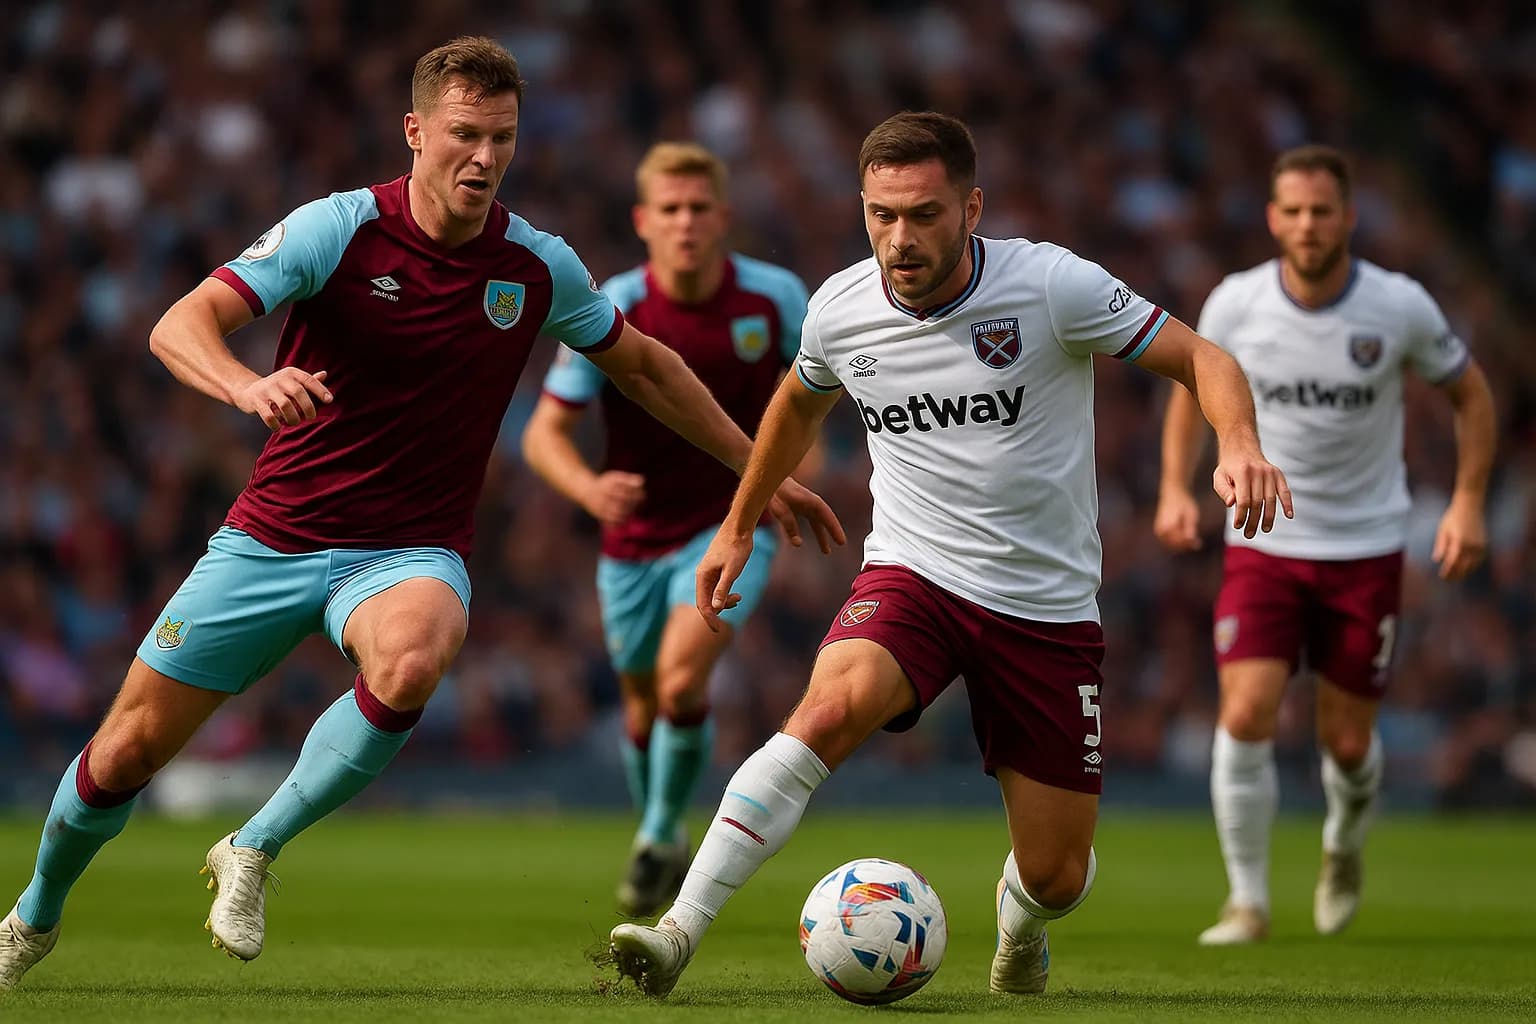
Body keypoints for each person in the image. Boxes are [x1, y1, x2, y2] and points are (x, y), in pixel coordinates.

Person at [0, 36, 841, 990]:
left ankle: (254, 846)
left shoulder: (535, 265)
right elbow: (179, 323)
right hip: (271, 537)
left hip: (406, 552)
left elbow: (645, 366)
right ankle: (33, 914)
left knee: (415, 654)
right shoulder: (338, 229)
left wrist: (758, 474)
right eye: (464, 136)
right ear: (415, 131)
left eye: (503, 138)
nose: (483, 158)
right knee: (124, 753)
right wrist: (247, 386)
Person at [607, 111, 1292, 998]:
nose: (901, 238)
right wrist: (740, 521)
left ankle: (1019, 921)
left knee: (1057, 875)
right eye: (882, 215)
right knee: (824, 711)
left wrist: (1237, 444)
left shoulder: (1050, 286)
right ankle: (677, 931)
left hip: (1044, 607)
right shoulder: (841, 308)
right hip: (914, 575)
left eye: (924, 214)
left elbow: (1204, 357)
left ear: (971, 209)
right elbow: (797, 402)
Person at [1153, 144, 1495, 945]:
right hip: (1263, 542)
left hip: (1365, 546)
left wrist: (1470, 502)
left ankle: (1342, 845)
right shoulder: (1236, 303)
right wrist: (1176, 486)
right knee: (1245, 711)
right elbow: (1189, 388)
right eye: (1294, 211)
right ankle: (1247, 902)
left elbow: (1471, 395)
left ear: (1347, 217)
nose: (1308, 225)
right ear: (1274, 219)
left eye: (1323, 211)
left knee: (1346, 741)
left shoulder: (1398, 306)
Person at [522, 143, 809, 917]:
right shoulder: (615, 304)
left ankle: (656, 834)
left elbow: (824, 390)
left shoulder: (775, 299)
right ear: (644, 222)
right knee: (644, 706)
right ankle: (662, 828)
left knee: (684, 680)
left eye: (699, 208)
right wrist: (587, 486)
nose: (686, 222)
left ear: (723, 216)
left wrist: (782, 482)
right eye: (670, 210)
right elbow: (544, 434)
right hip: (633, 543)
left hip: (734, 526)